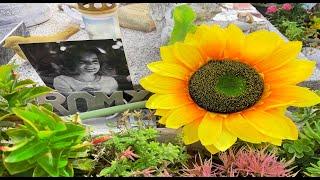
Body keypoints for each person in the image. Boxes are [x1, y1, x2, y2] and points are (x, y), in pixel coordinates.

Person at [53, 47, 118, 94]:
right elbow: (66, 103)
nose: (90, 65)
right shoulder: (62, 80)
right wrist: (82, 94)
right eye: (83, 62)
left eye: (95, 61)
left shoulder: (110, 81)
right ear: (72, 63)